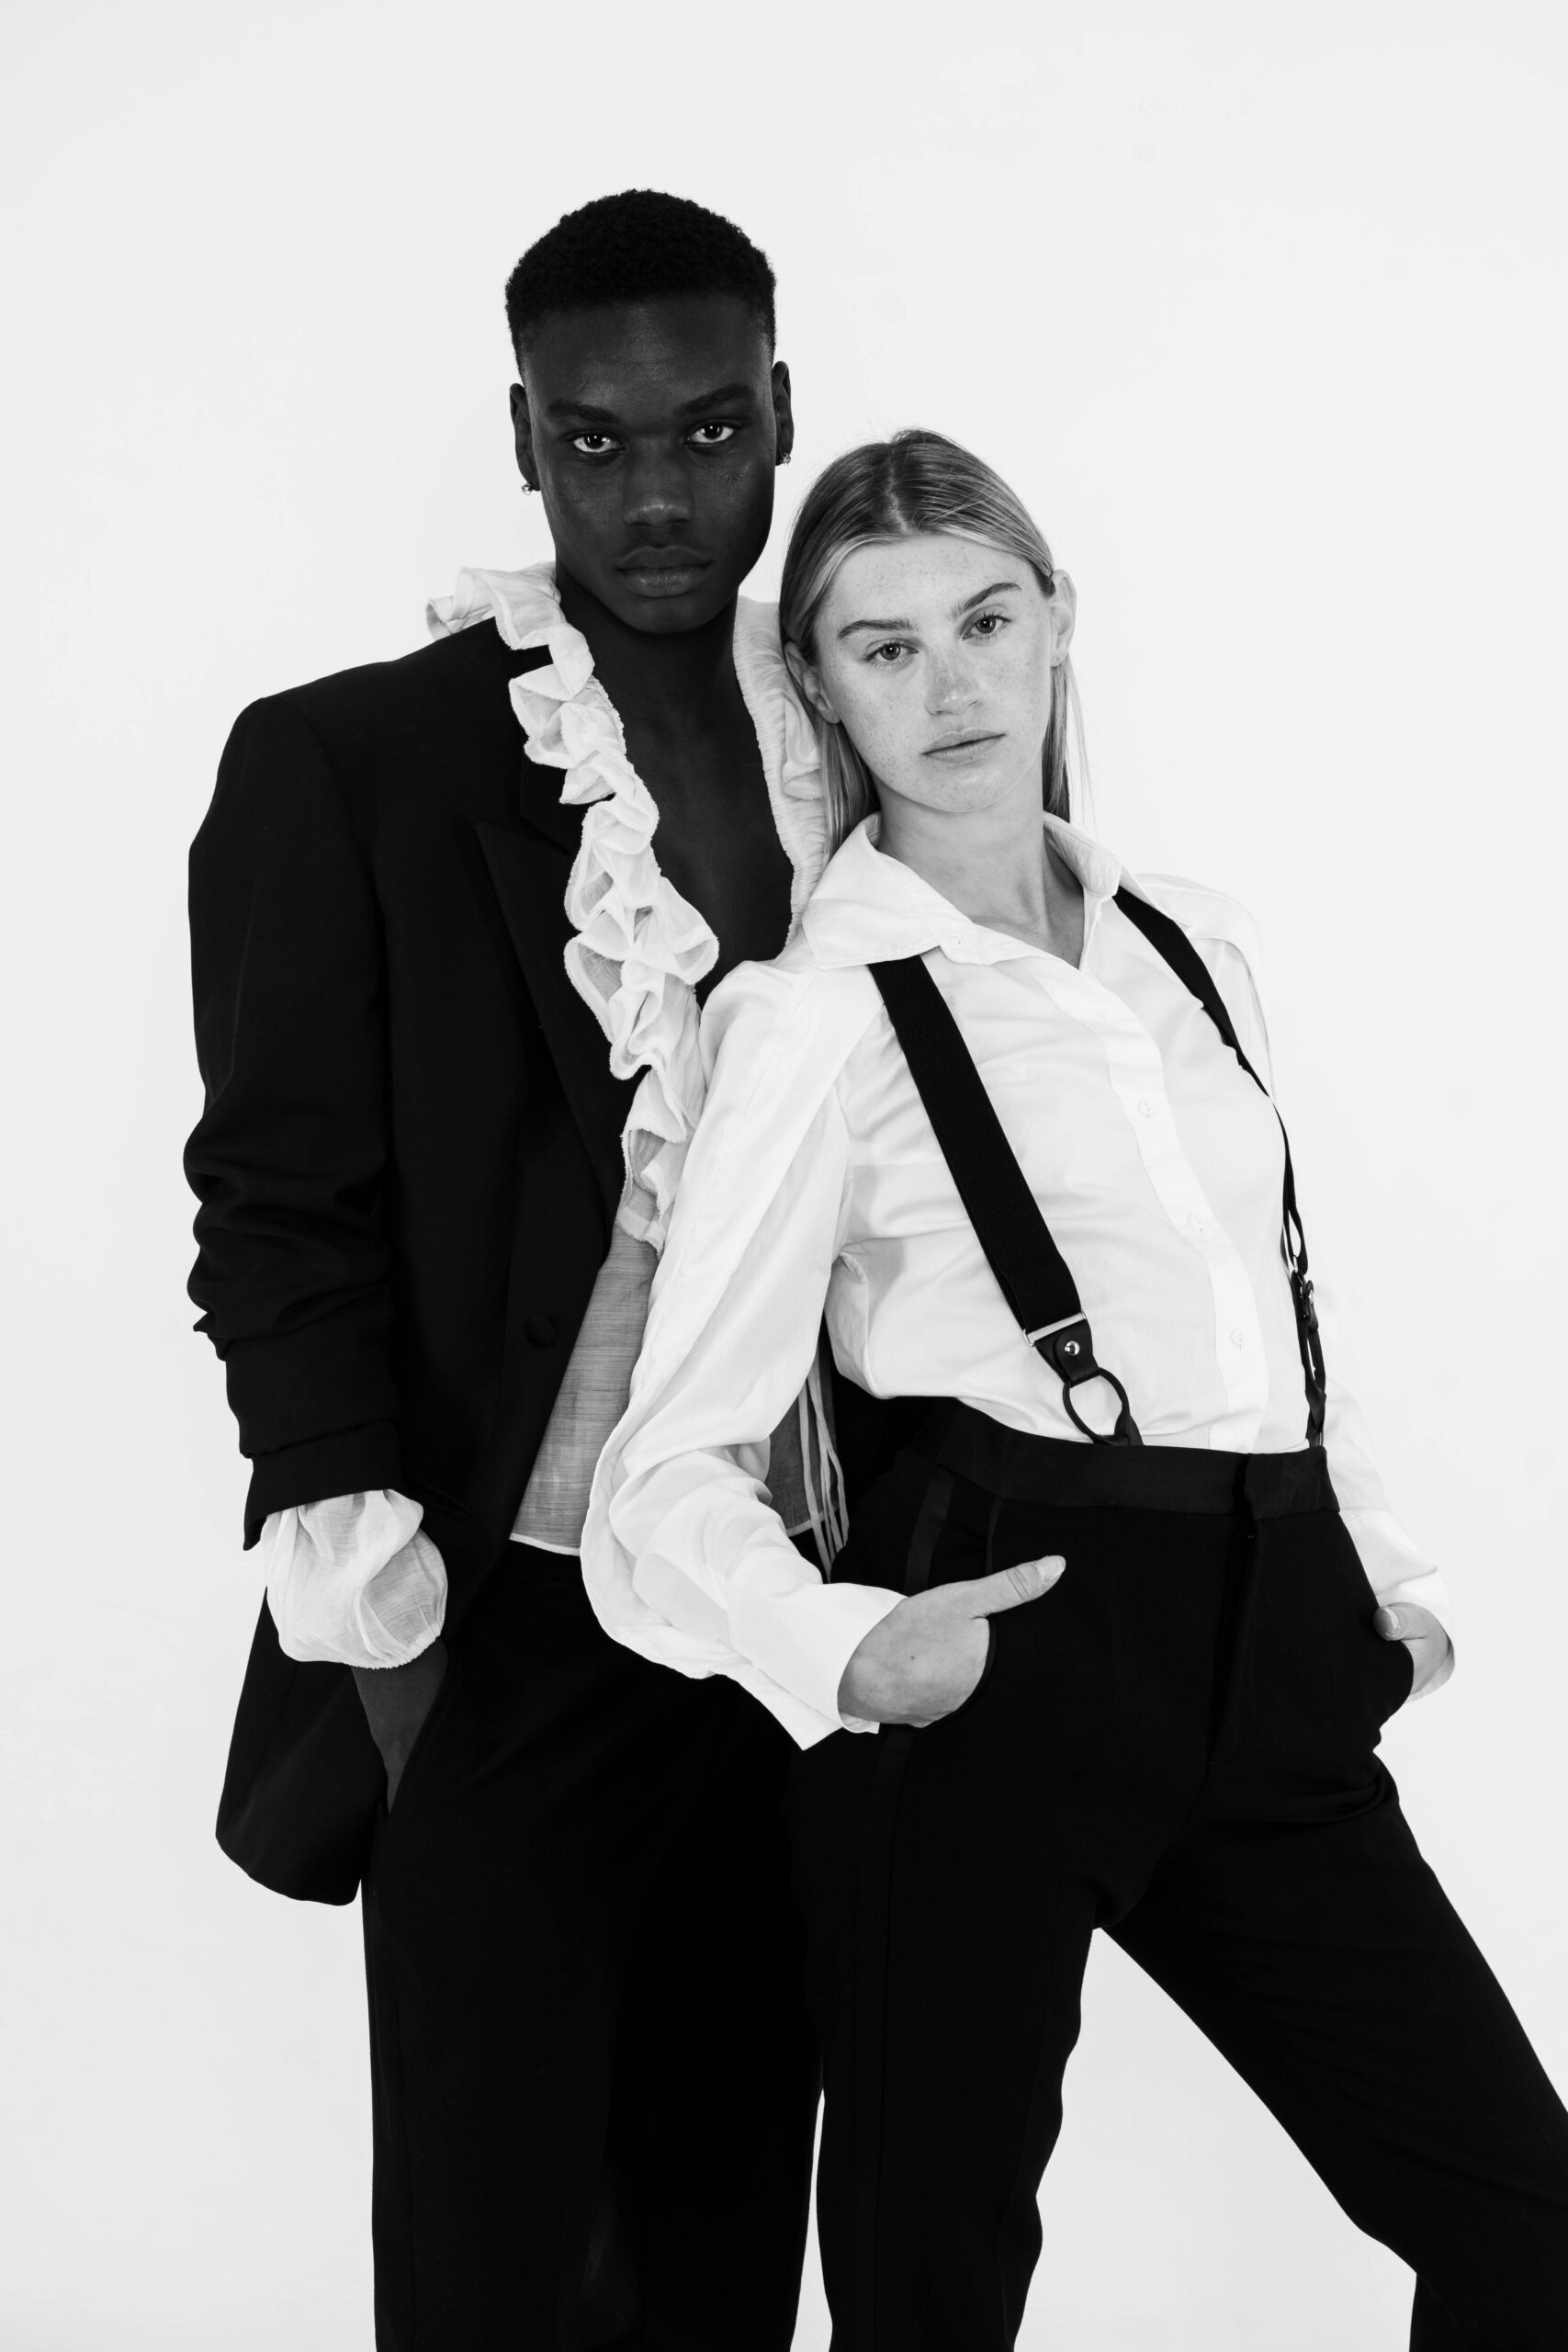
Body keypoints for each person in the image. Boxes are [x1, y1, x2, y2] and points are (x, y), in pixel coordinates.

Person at [584, 429, 1568, 2349]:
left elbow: (1274, 1309)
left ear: (1055, 624)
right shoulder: (814, 1018)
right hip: (991, 1661)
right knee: (931, 2296)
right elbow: (664, 1468)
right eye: (882, 647)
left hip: (1270, 1648)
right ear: (819, 685)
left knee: (1526, 2231)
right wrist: (851, 1649)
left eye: (984, 620)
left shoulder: (1191, 944)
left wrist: (1383, 1592)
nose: (949, 686)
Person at [185, 190, 829, 2349]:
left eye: (708, 431)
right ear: (525, 438)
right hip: (502, 1619)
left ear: (779, 414)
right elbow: (276, 1203)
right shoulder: (353, 759)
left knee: (723, 2244)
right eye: (594, 440)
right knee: (489, 2259)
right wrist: (385, 1627)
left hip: (796, 1614)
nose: (655, 497)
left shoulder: (859, 727)